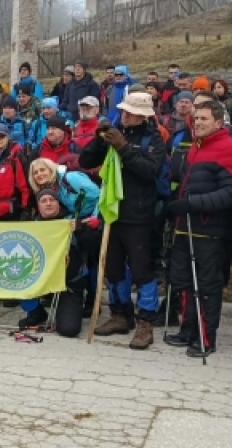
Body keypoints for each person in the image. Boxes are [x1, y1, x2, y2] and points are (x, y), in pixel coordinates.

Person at [80, 93, 165, 350]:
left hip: (139, 215)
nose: (124, 115)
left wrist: (124, 148)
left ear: (143, 116)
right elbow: (85, 162)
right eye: (123, 111)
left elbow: (150, 171)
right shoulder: (114, 132)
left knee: (142, 270)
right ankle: (119, 314)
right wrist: (98, 139)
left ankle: (145, 322)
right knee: (113, 268)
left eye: (129, 112)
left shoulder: (154, 138)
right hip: (112, 212)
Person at [162, 101, 232, 357]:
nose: (198, 123)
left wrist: (192, 204)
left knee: (207, 285)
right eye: (196, 119)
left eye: (204, 119)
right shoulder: (196, 147)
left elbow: (231, 193)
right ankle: (187, 329)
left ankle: (206, 336)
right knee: (184, 280)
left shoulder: (228, 149)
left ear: (218, 122)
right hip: (186, 226)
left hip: (209, 229)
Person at [19, 189, 100, 336]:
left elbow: (93, 246)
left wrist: (81, 230)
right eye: (43, 201)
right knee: (12, 276)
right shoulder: (32, 227)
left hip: (68, 283)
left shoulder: (71, 222)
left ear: (58, 203)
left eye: (52, 200)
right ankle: (36, 312)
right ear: (38, 206)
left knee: (68, 329)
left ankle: (68, 309)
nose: (48, 203)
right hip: (40, 279)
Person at [0, 124, 31, 221]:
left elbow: (24, 186)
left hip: (11, 213)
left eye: (2, 136)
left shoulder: (16, 157)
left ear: (8, 138)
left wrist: (25, 208)